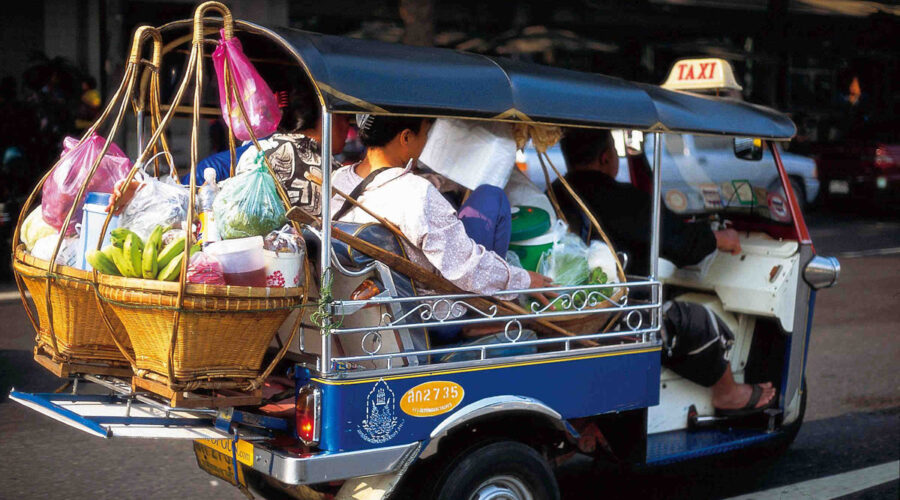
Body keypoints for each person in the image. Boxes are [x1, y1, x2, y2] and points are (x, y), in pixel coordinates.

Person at [552, 128, 774, 415]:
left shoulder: (555, 192)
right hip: (617, 317)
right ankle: (727, 393)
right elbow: (682, 245)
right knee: (696, 320)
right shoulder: (622, 199)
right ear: (606, 158)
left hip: (569, 310)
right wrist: (720, 239)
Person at [333, 114, 553, 355]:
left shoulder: (338, 180)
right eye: (426, 134)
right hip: (431, 317)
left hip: (374, 315)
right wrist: (524, 280)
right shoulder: (414, 193)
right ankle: (484, 314)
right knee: (491, 197)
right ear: (406, 137)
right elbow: (465, 268)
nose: (427, 141)